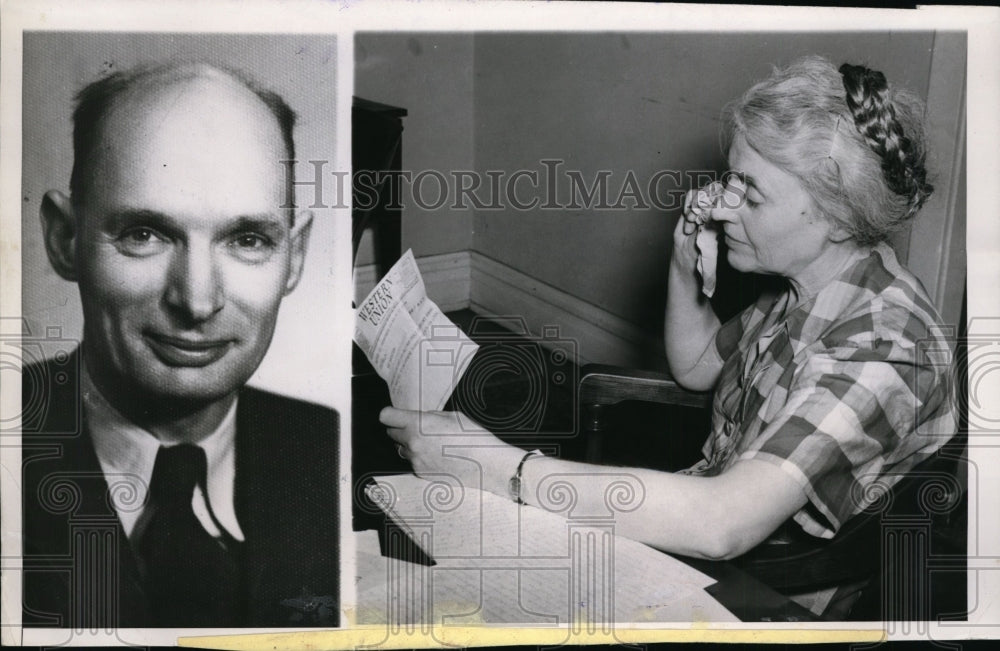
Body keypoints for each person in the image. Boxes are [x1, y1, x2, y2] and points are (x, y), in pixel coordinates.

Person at [379, 56, 957, 617]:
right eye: (731, 178)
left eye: (751, 195)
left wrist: (499, 468)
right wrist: (686, 259)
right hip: (705, 527)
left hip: (757, 588)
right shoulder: (809, 284)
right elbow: (700, 364)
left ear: (836, 216)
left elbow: (721, 524)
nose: (723, 206)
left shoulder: (884, 348)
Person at [22, 62, 339, 628]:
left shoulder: (328, 453)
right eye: (144, 235)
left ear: (294, 257)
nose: (196, 301)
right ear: (64, 239)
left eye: (247, 240)